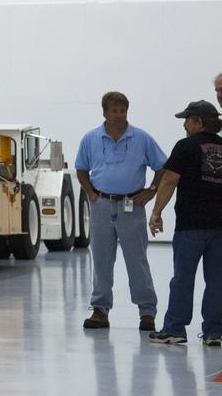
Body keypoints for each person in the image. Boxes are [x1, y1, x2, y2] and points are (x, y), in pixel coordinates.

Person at [74, 91, 167, 331]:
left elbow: (162, 166)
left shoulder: (141, 138)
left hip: (131, 205)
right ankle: (99, 310)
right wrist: (90, 193)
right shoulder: (90, 139)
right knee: (101, 260)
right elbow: (81, 169)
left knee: (137, 260)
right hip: (101, 205)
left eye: (122, 110)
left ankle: (147, 312)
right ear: (104, 112)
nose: (118, 115)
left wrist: (152, 190)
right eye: (114, 110)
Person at [147, 100, 222, 345]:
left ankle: (175, 329)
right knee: (217, 280)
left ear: (198, 122)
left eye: (187, 120)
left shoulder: (185, 146)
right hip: (219, 227)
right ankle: (214, 332)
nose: (184, 125)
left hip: (191, 225)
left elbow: (169, 180)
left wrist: (156, 211)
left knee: (182, 278)